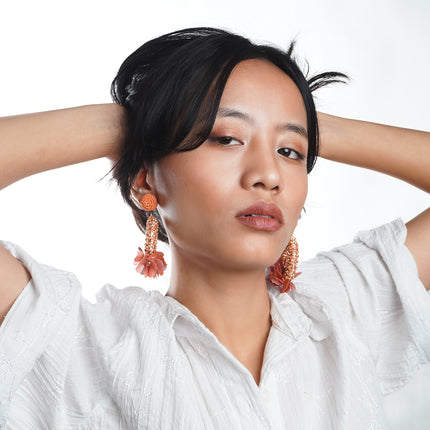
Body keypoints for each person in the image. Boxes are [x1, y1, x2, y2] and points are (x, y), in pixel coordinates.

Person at [0, 27, 429, 429]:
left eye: (290, 152)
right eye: (226, 138)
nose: (269, 175)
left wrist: (309, 123)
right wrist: (132, 123)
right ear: (146, 182)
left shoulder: (343, 310)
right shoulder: (85, 348)